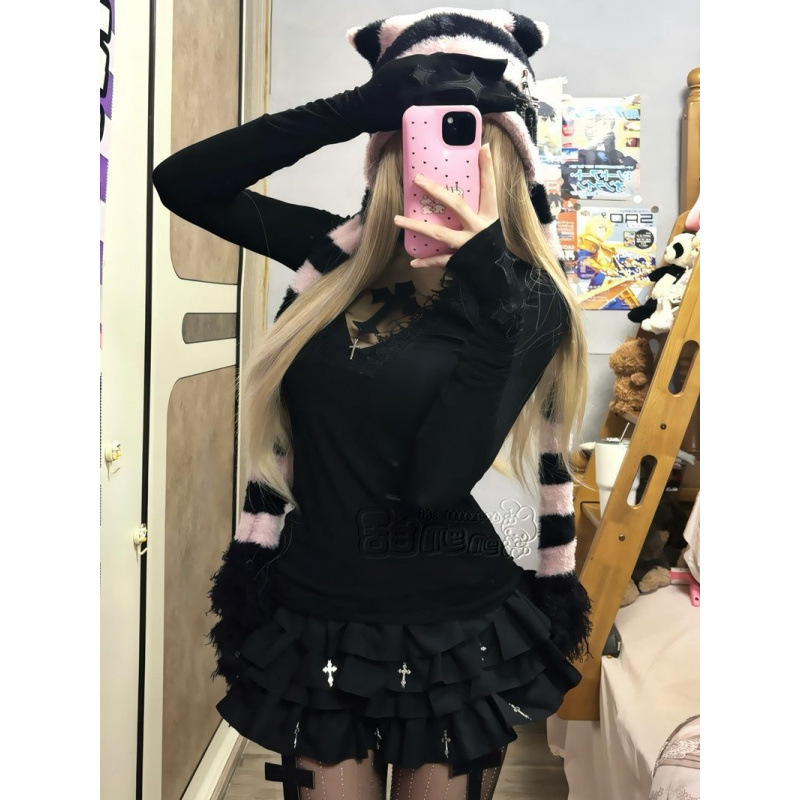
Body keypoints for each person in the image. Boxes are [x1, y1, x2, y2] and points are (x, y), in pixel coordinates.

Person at [153, 8, 592, 799]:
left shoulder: (528, 302)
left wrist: (489, 277)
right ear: (393, 149)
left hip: (457, 627)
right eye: (422, 136)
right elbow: (182, 184)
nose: (446, 165)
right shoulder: (330, 263)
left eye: (471, 142)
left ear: (508, 158)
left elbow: (434, 482)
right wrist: (355, 107)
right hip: (315, 609)